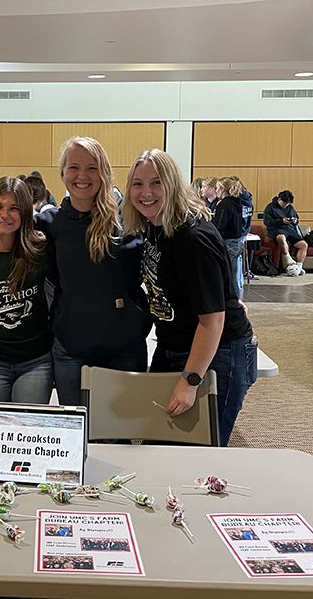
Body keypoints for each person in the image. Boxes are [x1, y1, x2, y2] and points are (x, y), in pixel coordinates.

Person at [122, 148, 257, 446]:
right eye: (138, 183)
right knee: (160, 442)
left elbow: (213, 321)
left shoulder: (191, 238)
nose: (146, 192)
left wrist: (190, 379)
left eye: (156, 183)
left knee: (201, 451)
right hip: (175, 344)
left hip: (217, 352)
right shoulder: (155, 227)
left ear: (173, 184)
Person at [34, 137, 151, 406]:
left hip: (124, 349)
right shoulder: (48, 224)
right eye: (74, 167)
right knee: (75, 431)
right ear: (63, 172)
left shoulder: (130, 222)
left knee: (119, 437)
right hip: (70, 347)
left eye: (92, 167)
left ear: (104, 173)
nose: (82, 176)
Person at [0, 176, 53, 404]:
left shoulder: (40, 250)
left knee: (28, 427)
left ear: (25, 212)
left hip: (35, 360)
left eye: (14, 208)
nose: (4, 215)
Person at [263, 189, 307, 276]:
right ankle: (288, 259)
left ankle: (298, 267)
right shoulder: (270, 207)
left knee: (303, 245)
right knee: (281, 237)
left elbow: (297, 218)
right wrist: (281, 221)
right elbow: (267, 222)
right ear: (279, 199)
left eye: (288, 203)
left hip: (289, 229)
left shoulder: (290, 207)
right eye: (285, 203)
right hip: (276, 229)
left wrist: (295, 221)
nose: (286, 205)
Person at [213, 177, 245, 299]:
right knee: (234, 275)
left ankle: (234, 302)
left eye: (217, 188)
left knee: (229, 276)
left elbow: (220, 226)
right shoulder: (237, 203)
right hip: (236, 241)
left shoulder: (224, 204)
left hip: (227, 242)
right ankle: (236, 300)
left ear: (222, 189)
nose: (216, 191)